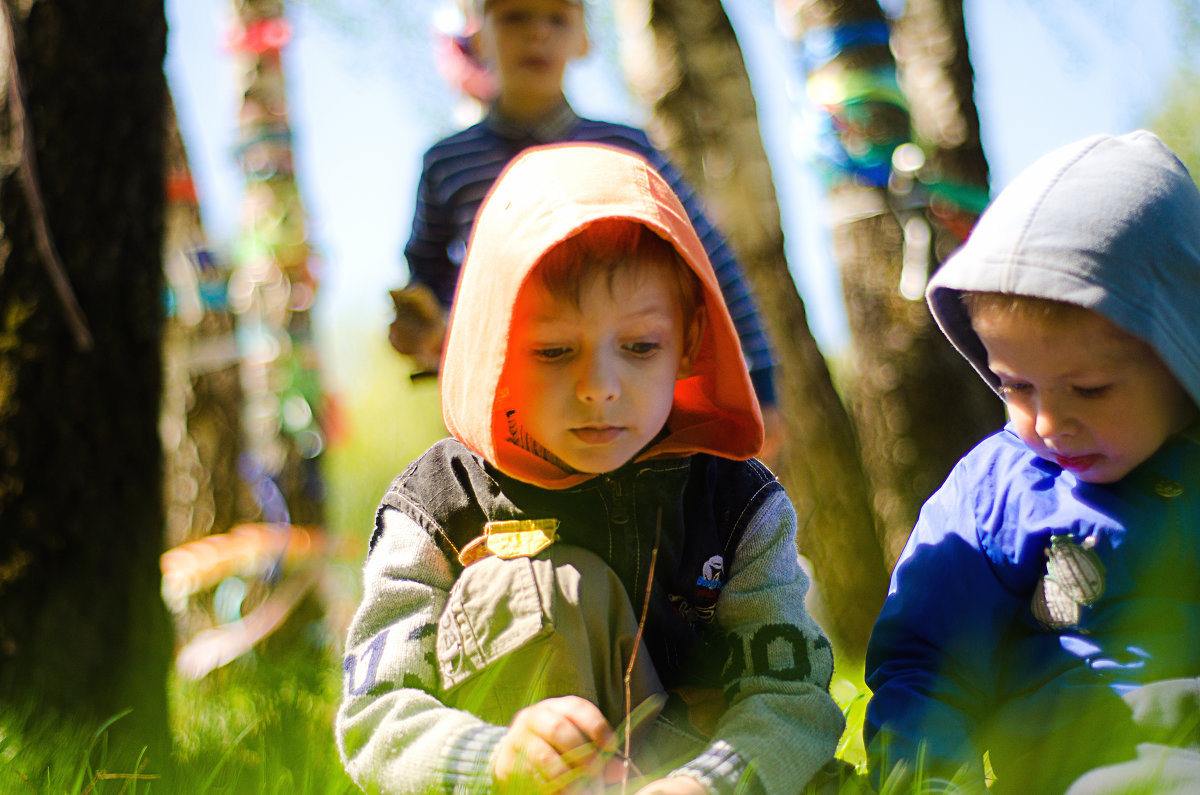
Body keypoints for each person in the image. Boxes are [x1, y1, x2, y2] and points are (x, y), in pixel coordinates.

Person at [337, 143, 843, 794]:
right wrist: (495, 759)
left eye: (639, 346)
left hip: (695, 774)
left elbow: (793, 696)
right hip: (517, 779)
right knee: (546, 584)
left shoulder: (736, 502)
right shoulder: (438, 506)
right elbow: (376, 712)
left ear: (689, 340)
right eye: (553, 350)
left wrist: (706, 784)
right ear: (494, 343)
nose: (600, 386)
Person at [863, 130, 1200, 794]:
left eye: (1090, 389)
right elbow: (929, 662)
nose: (1046, 423)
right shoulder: (996, 493)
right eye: (1015, 385)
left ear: (1181, 348)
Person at [392, 0, 781, 454]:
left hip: (623, 410)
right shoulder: (447, 163)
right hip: (508, 414)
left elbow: (708, 259)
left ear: (584, 40)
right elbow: (426, 274)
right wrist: (421, 326)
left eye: (557, 19)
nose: (537, 33)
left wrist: (761, 384)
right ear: (478, 38)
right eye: (515, 17)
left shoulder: (627, 148)